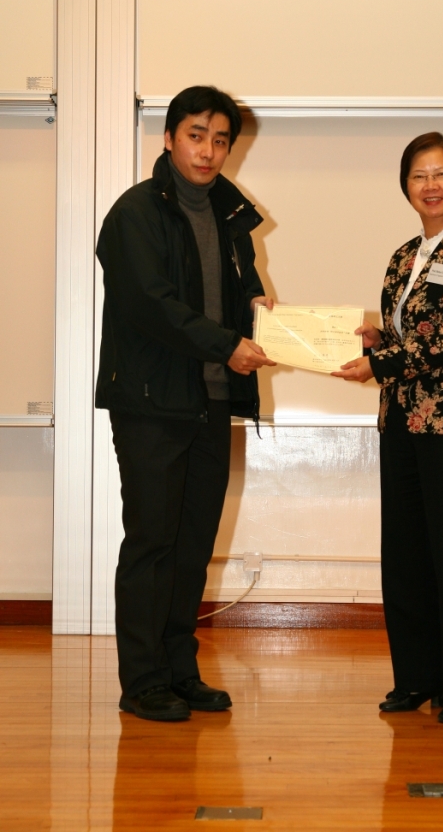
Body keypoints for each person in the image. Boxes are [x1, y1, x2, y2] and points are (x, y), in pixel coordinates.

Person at [95, 85, 276, 722]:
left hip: (212, 402)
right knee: (152, 542)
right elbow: (150, 305)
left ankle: (178, 669)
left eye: (220, 139)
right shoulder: (136, 212)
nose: (208, 150)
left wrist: (266, 322)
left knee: (193, 543)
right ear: (169, 139)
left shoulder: (230, 217)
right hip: (150, 402)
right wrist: (227, 342)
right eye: (196, 135)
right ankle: (142, 680)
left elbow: (247, 294)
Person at [333, 132, 443, 724]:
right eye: (417, 177)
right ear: (405, 186)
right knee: (405, 556)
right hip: (403, 422)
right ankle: (415, 679)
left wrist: (383, 362)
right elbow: (409, 337)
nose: (429, 186)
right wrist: (378, 340)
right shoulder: (405, 256)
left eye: (441, 175)